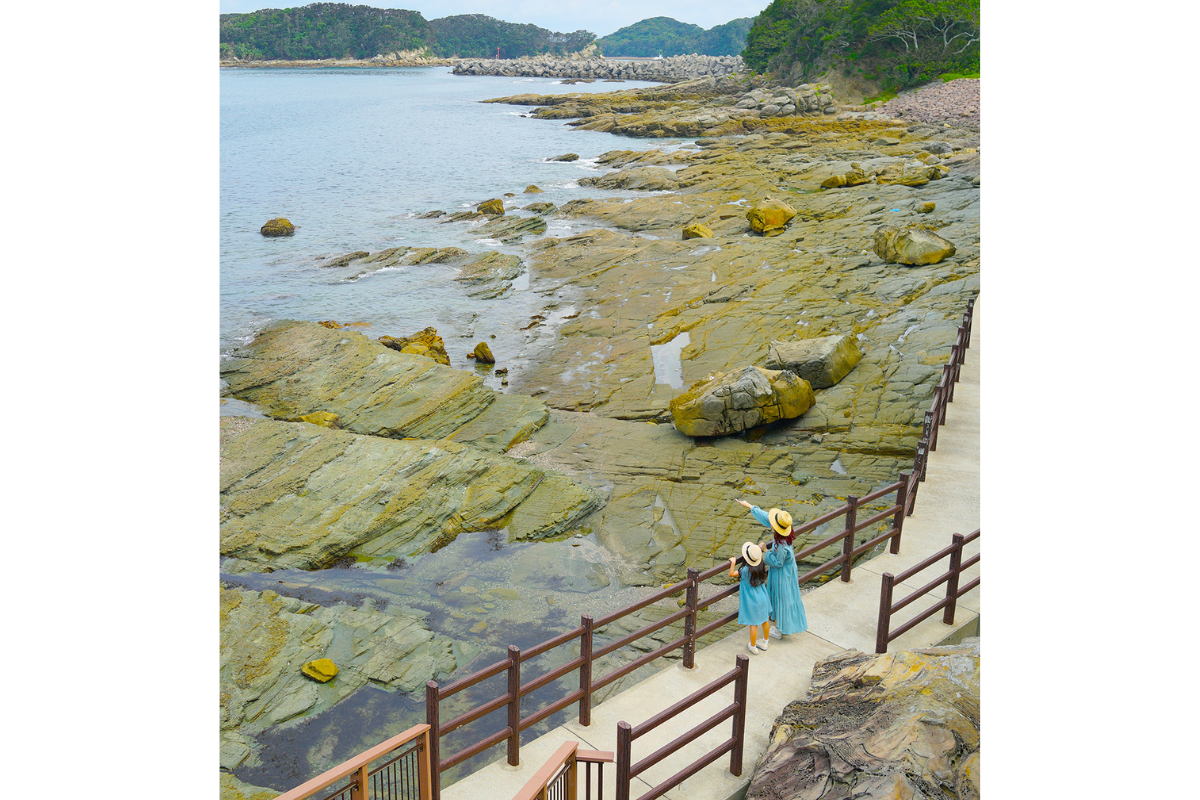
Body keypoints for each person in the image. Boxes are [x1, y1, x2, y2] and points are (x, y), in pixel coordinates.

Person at [736, 499, 808, 638]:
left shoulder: (781, 545)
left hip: (783, 573)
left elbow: (778, 562)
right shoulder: (785, 534)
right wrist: (750, 506)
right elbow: (766, 516)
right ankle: (780, 624)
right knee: (784, 595)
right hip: (788, 570)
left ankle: (780, 628)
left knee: (782, 597)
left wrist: (765, 551)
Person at [728, 541, 772, 654]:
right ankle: (765, 642)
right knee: (765, 620)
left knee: (753, 625)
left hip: (753, 601)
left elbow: (731, 574)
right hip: (763, 597)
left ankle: (753, 647)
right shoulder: (761, 565)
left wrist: (733, 562)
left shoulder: (745, 570)